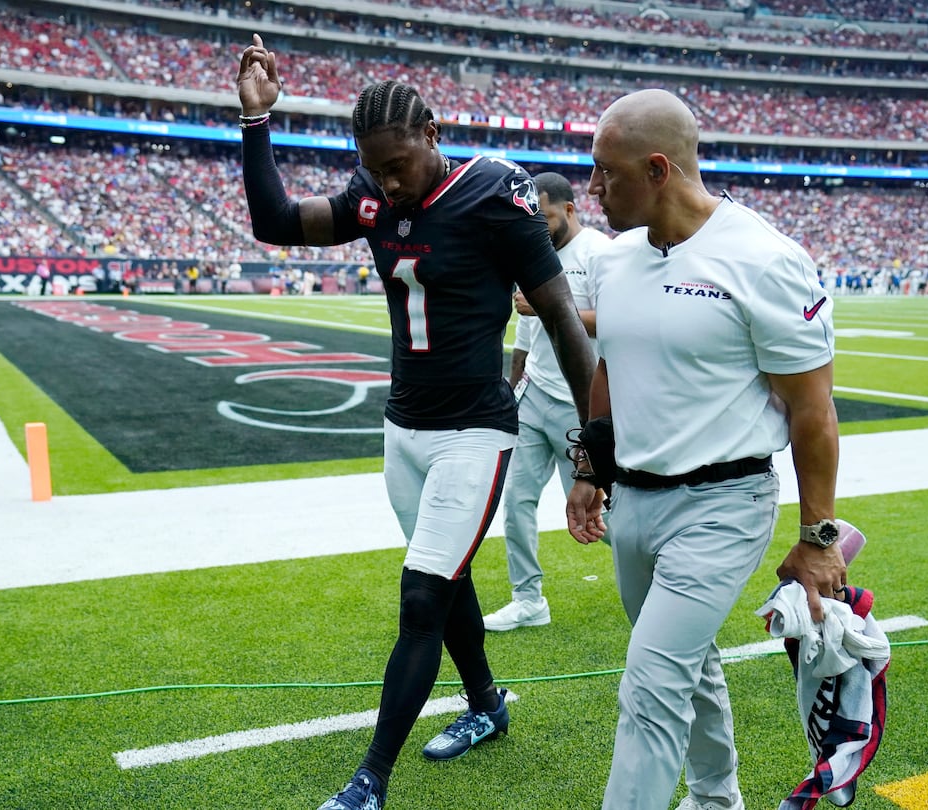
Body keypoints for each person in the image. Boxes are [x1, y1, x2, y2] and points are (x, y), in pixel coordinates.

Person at [236, 34, 595, 810]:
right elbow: (274, 220)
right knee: (449, 577)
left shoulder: (496, 192)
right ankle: (487, 705)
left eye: (398, 163)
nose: (387, 182)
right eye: (374, 166)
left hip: (477, 427)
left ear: (432, 134)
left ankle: (371, 779)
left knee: (422, 595)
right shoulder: (370, 196)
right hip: (405, 428)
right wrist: (257, 121)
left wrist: (595, 439)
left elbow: (564, 319)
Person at [565, 89, 845, 810]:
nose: (592, 190)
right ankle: (718, 796)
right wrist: (591, 469)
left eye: (605, 173)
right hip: (635, 499)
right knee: (686, 664)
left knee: (652, 682)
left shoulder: (765, 260)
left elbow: (813, 412)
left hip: (725, 502)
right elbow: (609, 369)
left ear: (658, 169)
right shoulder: (618, 260)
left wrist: (818, 537)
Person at [483, 172, 609, 632]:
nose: (538, 225)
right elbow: (525, 332)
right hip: (534, 397)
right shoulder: (534, 252)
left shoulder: (599, 253)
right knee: (515, 499)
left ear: (570, 210)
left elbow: (619, 319)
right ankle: (528, 599)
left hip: (583, 404)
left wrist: (552, 307)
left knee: (604, 510)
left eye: (546, 215)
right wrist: (513, 385)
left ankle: (658, 578)